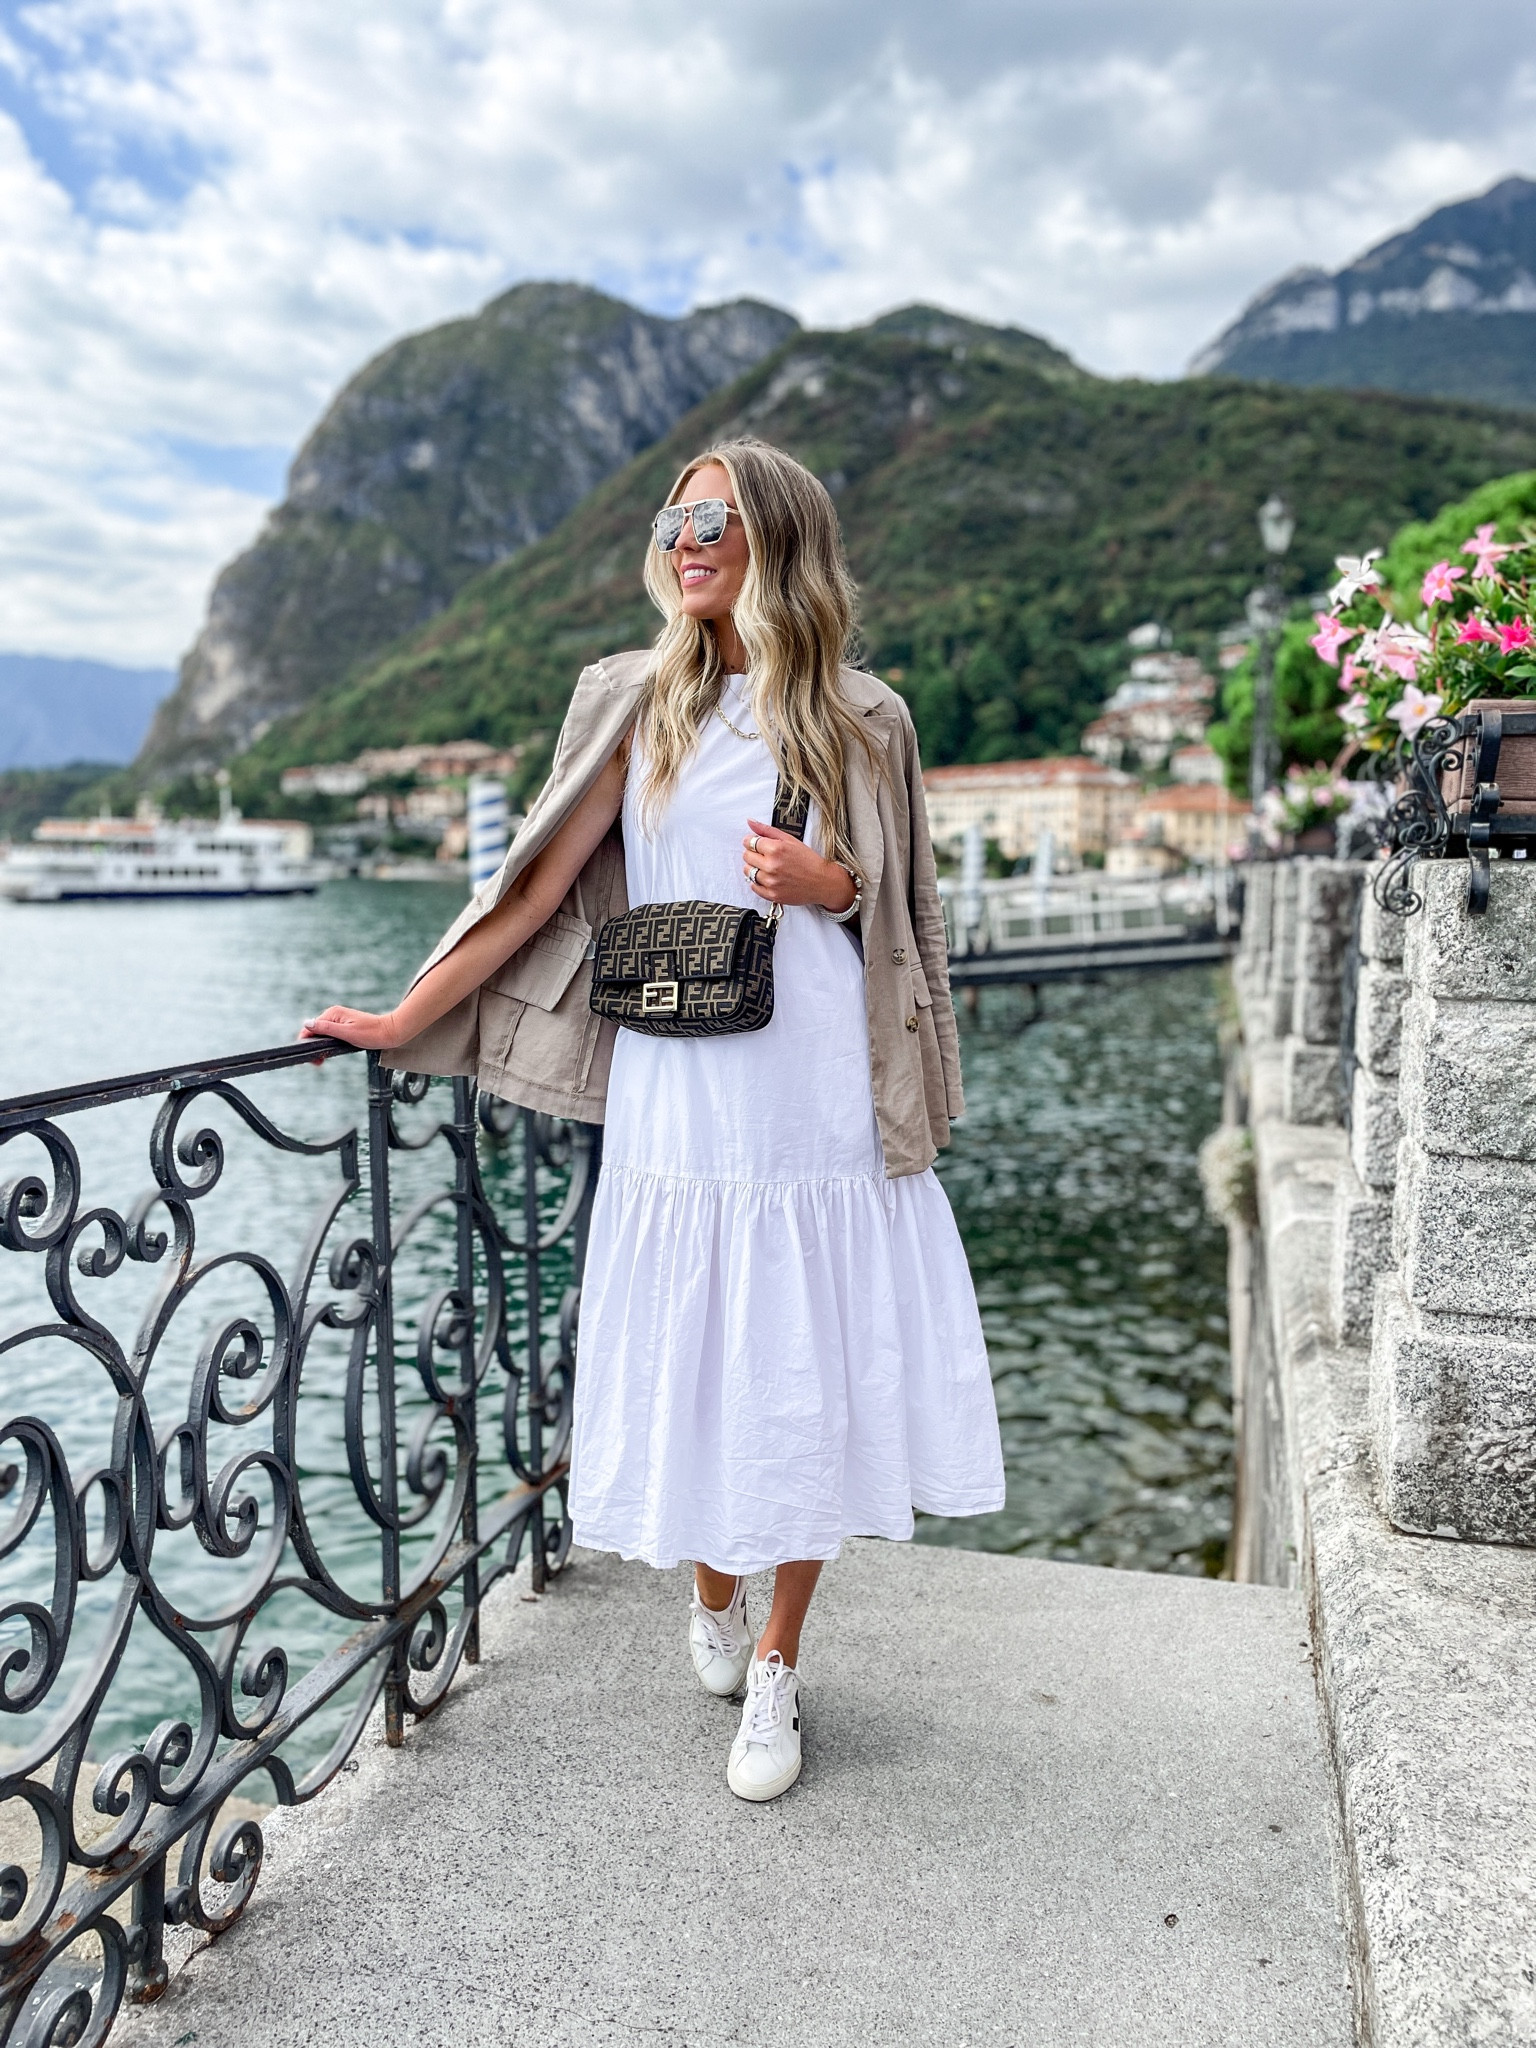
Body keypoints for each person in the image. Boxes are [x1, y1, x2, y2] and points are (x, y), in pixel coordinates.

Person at [302, 437, 1005, 1802]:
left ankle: (784, 1664)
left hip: (817, 1096)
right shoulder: (633, 703)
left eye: (716, 520)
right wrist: (401, 1021)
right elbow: (525, 895)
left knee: (814, 1373)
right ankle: (712, 1590)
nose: (687, 540)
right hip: (680, 1095)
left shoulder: (866, 718)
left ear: (779, 542)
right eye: (676, 518)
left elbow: (911, 913)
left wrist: (832, 882)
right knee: (700, 1359)